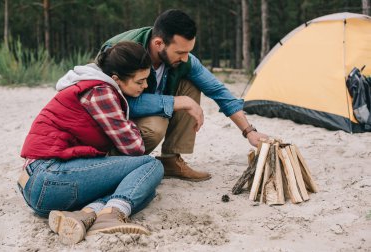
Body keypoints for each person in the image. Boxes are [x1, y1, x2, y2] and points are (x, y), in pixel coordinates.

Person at [63, 9, 268, 182]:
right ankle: (117, 165)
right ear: (159, 43)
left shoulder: (183, 59)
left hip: (147, 108)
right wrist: (176, 102)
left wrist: (249, 131)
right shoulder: (122, 52)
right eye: (180, 52)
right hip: (113, 124)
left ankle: (170, 160)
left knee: (190, 84)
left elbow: (219, 92)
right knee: (156, 125)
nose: (185, 58)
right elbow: (113, 103)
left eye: (189, 51)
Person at [18, 41, 164, 245]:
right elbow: (134, 148)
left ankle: (84, 215)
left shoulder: (88, 85)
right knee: (151, 165)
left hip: (40, 184)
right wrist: (133, 124)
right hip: (47, 176)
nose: (146, 86)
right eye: (140, 82)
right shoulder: (100, 92)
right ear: (116, 79)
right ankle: (112, 215)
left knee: (139, 187)